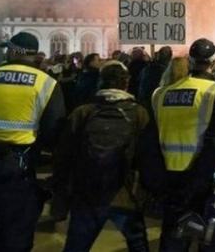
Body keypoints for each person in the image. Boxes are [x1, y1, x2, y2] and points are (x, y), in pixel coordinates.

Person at [0, 32, 66, 251]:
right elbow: (54, 128)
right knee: (16, 228)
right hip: (20, 165)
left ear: (14, 51)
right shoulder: (46, 83)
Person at [54, 60, 151, 252]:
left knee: (76, 246)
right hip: (123, 193)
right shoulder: (138, 113)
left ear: (101, 82)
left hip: (87, 193)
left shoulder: (83, 112)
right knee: (138, 244)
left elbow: (63, 156)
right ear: (126, 82)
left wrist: (62, 193)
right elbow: (146, 156)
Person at [151, 41, 215, 252]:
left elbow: (152, 140)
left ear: (190, 61)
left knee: (173, 238)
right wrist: (197, 181)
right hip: (205, 181)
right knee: (212, 239)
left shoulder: (160, 94)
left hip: (170, 179)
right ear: (213, 62)